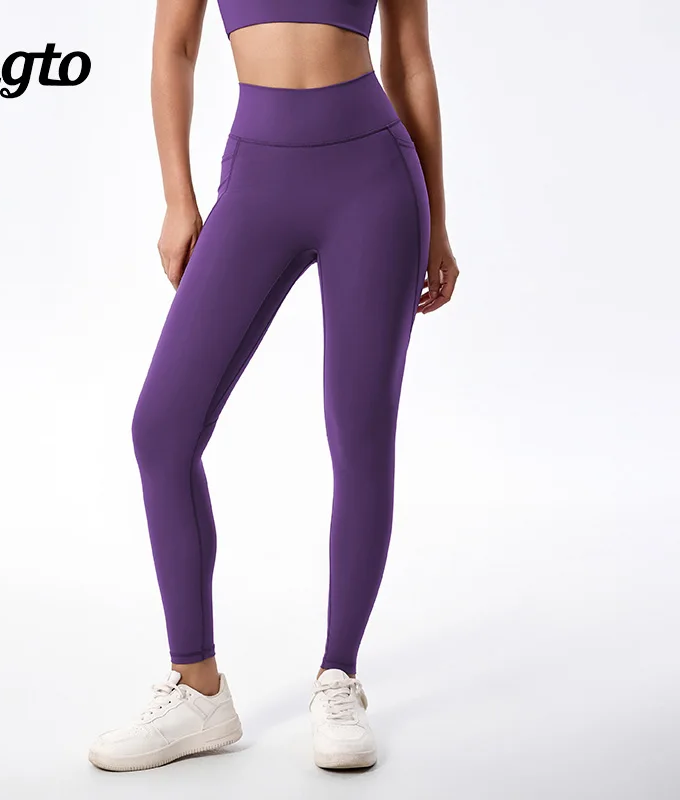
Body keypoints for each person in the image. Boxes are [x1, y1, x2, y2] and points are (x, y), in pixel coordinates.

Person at [89, 0, 459, 773]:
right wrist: (179, 199)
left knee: (360, 432)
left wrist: (439, 219)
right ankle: (198, 690)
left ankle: (339, 677)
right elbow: (174, 48)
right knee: (162, 429)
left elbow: (410, 60)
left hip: (374, 182)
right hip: (257, 179)